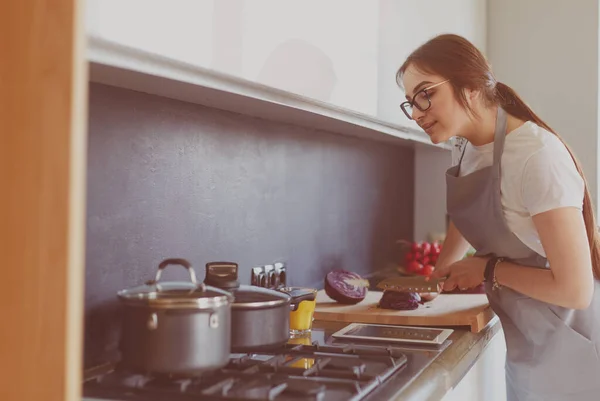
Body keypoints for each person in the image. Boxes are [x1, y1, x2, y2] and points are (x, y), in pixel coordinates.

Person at [397, 34, 600, 401]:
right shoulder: (463, 147)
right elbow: (471, 209)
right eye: (410, 102)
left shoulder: (536, 156)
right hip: (527, 347)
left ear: (471, 87)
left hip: (576, 353)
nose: (416, 112)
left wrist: (485, 270)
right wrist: (442, 269)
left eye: (426, 94)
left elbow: (576, 290)